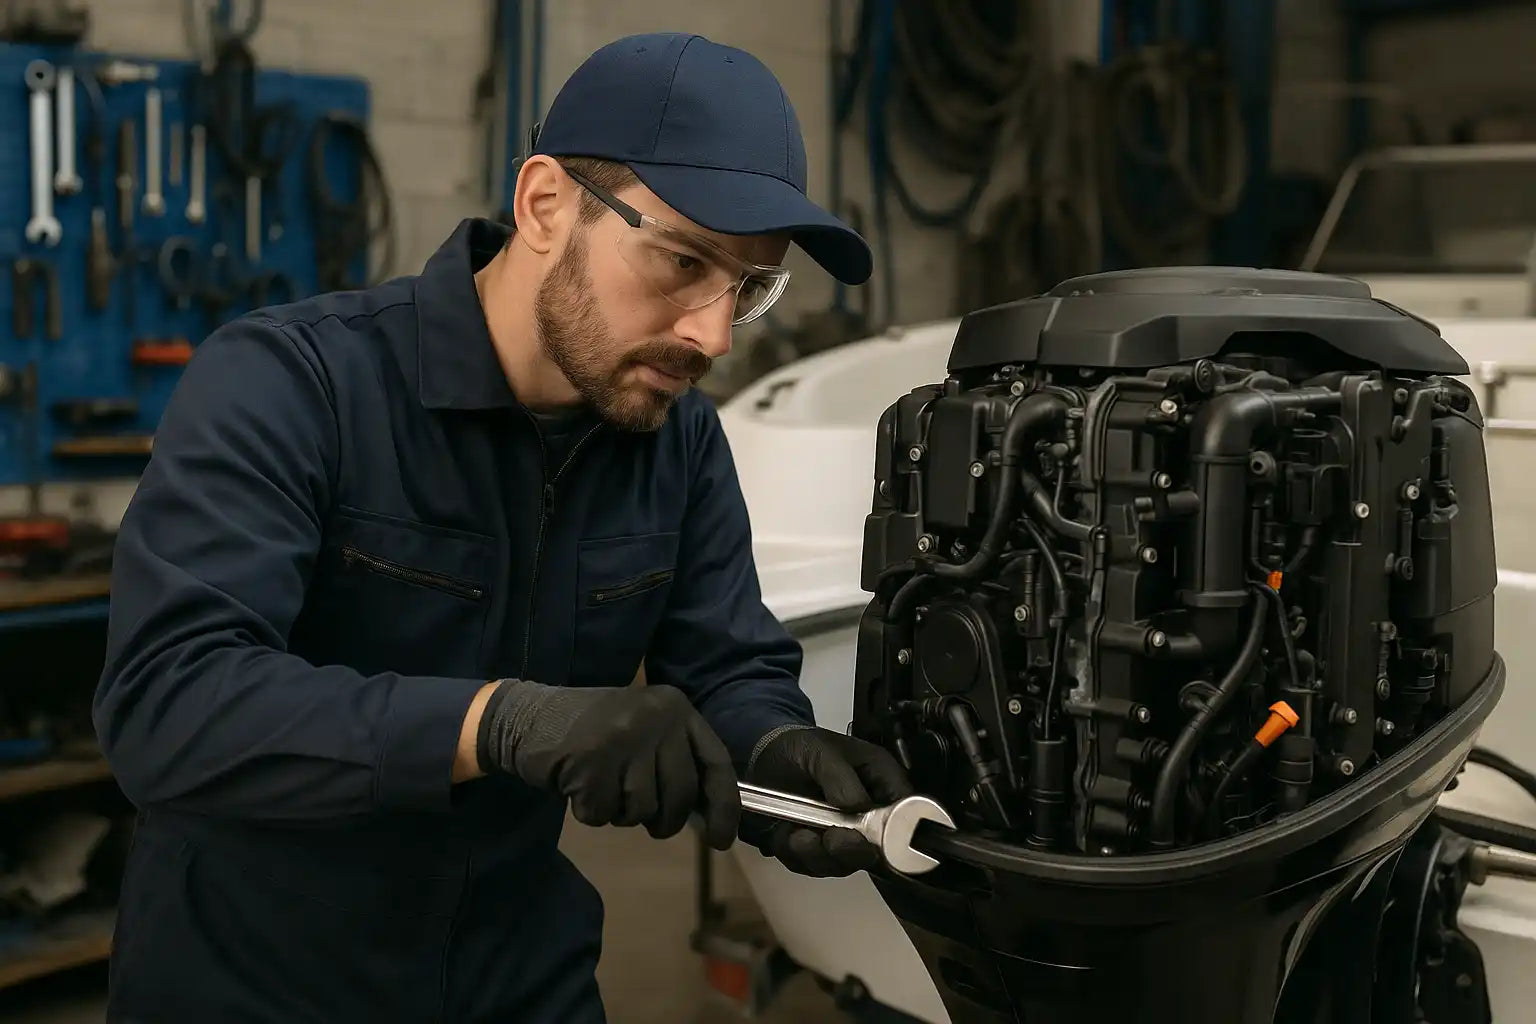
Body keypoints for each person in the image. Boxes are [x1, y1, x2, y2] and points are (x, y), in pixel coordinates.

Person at [92, 31, 913, 1024]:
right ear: (543, 204)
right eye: (683, 260)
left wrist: (780, 750)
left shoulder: (679, 440)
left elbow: (728, 666)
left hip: (518, 979)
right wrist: (501, 723)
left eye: (747, 287)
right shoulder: (290, 386)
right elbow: (167, 704)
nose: (710, 332)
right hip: (258, 985)